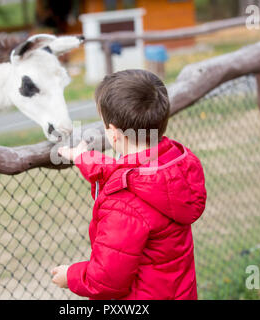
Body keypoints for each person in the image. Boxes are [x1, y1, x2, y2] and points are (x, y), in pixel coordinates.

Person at [52, 69, 207, 300]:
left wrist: (71, 276)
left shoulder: (123, 204)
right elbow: (128, 172)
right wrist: (83, 157)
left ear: (113, 133)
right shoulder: (174, 165)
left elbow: (106, 279)